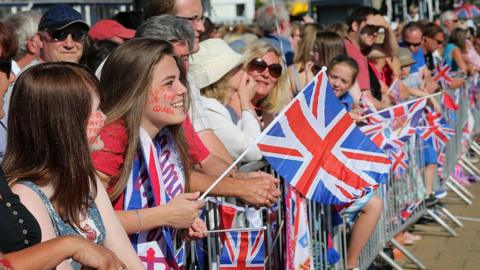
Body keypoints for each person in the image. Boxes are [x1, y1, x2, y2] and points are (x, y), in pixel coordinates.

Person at [2, 62, 145, 270]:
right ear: (64, 122)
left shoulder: (86, 178)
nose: (105, 118)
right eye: (96, 111)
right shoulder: (26, 195)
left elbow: (130, 262)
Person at [98, 38, 206, 269]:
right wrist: (166, 216)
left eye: (180, 79)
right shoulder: (111, 136)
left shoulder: (164, 136)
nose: (183, 89)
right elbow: (88, 220)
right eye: (169, 83)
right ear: (136, 90)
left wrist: (177, 223)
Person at [326, 55, 383, 270]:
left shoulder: (347, 102)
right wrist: (344, 120)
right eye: (334, 77)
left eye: (344, 81)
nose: (337, 84)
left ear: (351, 85)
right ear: (325, 74)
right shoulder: (316, 98)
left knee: (374, 205)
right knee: (373, 205)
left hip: (338, 175)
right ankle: (350, 265)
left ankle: (351, 264)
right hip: (321, 181)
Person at [191, 38, 263, 162]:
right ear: (224, 75)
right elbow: (253, 152)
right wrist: (245, 102)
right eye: (239, 66)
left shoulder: (217, 107)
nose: (245, 70)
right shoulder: (208, 109)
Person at [228, 40, 288, 128]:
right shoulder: (228, 108)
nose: (266, 74)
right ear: (244, 67)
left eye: (274, 69)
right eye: (259, 65)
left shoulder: (271, 114)